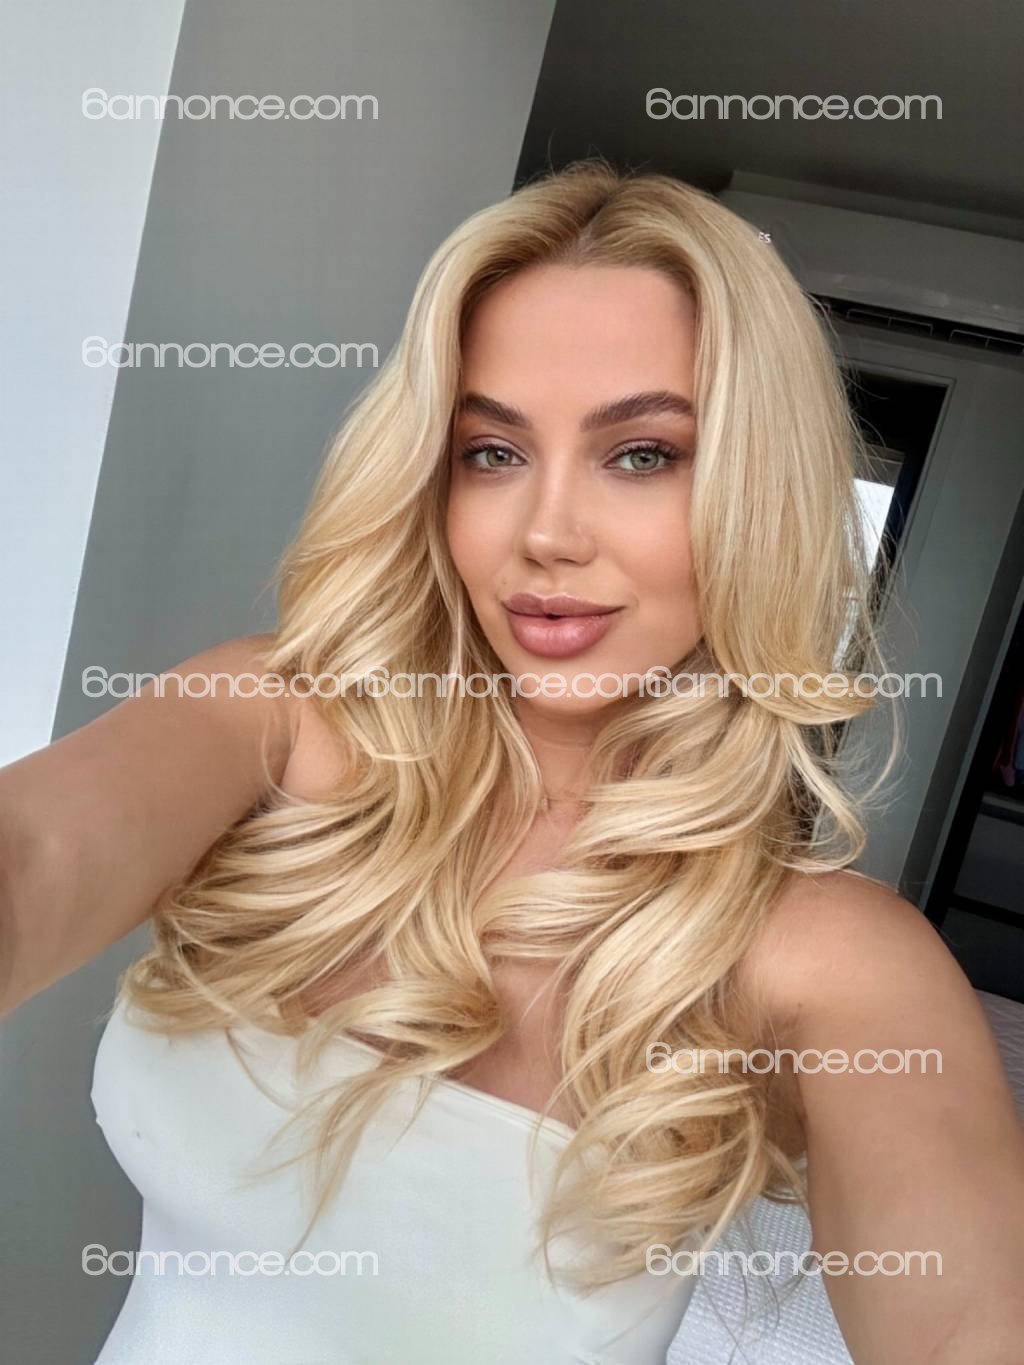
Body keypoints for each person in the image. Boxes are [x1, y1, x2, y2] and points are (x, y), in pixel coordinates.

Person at [2, 158, 1023, 1365]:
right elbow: (35, 857)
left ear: (758, 492)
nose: (546, 534)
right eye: (491, 451)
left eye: (641, 453)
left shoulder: (828, 961)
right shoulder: (270, 720)